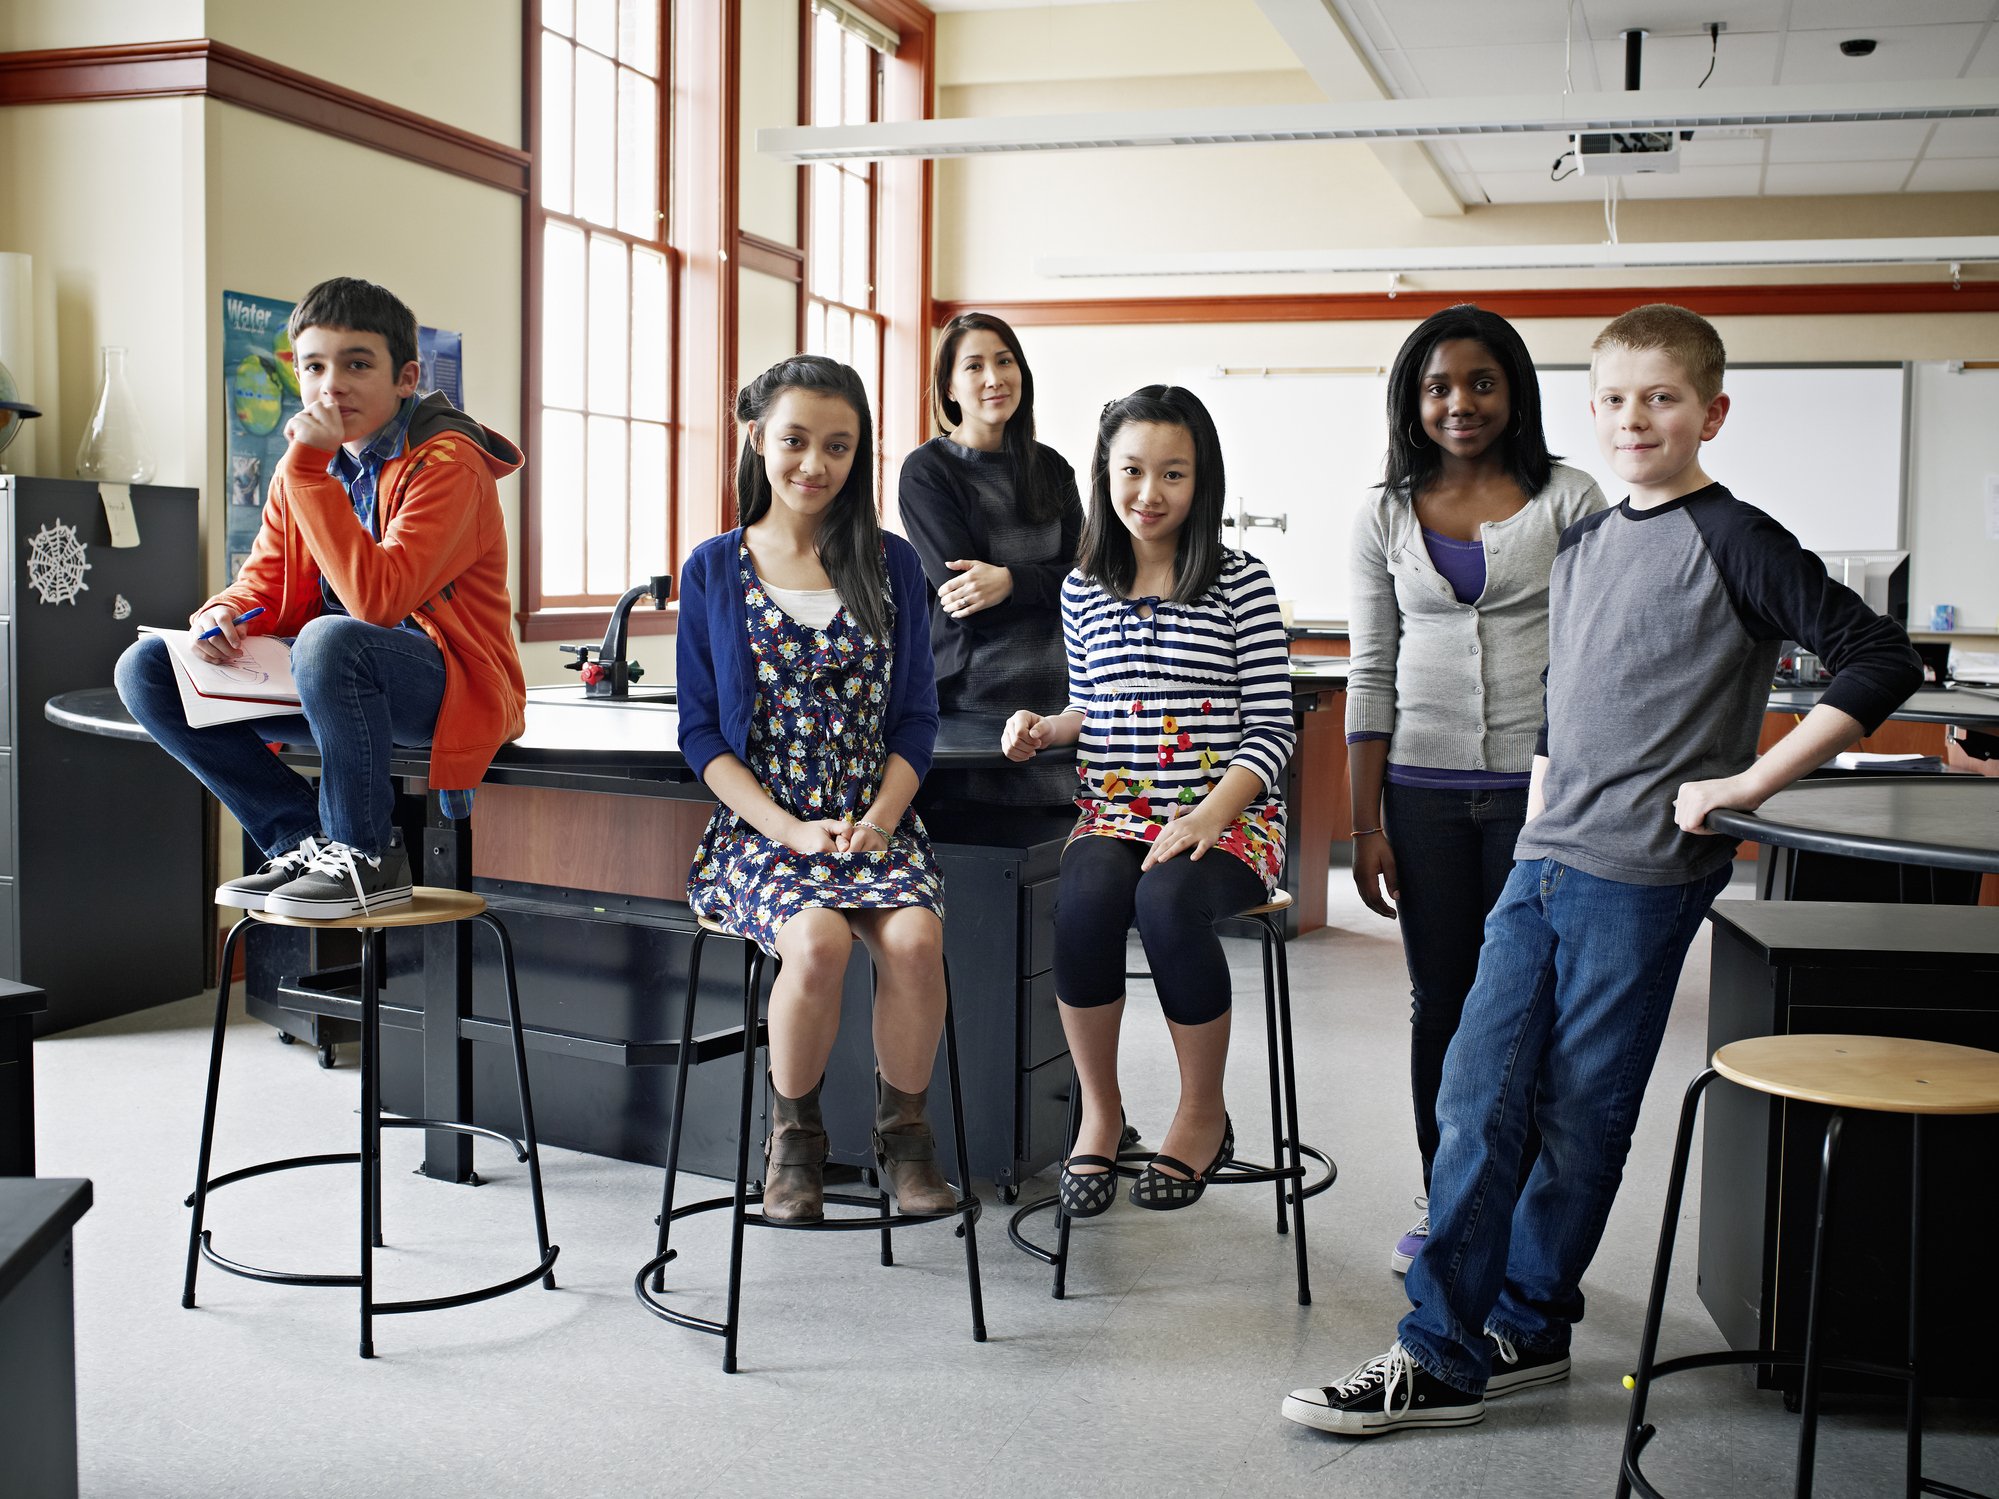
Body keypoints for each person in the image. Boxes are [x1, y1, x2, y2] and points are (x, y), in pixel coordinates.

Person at [1282, 304, 1922, 1437]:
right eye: (1618, 399)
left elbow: (1875, 655)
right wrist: (1538, 818)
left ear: (1710, 412)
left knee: (1580, 1111)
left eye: (1664, 397)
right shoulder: (1582, 542)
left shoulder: (1737, 538)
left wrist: (1748, 786)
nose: (1638, 418)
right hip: (1542, 860)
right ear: (1591, 411)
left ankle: (1511, 1326)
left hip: (1643, 876)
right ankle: (1464, 1336)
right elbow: (1565, 712)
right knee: (1476, 1090)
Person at [115, 276, 525, 920]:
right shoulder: (309, 466)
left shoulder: (448, 463)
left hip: (446, 683)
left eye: (358, 364)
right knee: (146, 671)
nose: (331, 385)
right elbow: (268, 581)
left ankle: (366, 857)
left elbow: (378, 602)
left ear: (406, 377)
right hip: (327, 676)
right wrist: (224, 612)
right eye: (314, 366)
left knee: (332, 638)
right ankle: (299, 839)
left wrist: (307, 469)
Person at [1346, 304, 1607, 1276]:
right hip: (1420, 795)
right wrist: (1361, 823)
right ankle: (1445, 1191)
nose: (1460, 402)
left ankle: (1522, 1215)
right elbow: (1370, 671)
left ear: (1514, 393)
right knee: (1442, 1004)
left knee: (1528, 1005)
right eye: (1438, 386)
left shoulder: (1571, 500)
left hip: (1535, 799)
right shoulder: (1382, 512)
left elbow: (1592, 660)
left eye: (1480, 382)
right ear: (1413, 401)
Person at [676, 354, 957, 1223]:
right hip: (760, 833)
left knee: (913, 941)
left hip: (876, 828)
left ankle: (904, 1139)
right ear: (756, 437)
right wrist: (788, 830)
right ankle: (793, 1143)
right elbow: (701, 737)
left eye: (838, 446)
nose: (814, 464)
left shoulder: (892, 564)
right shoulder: (714, 568)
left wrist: (878, 819)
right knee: (821, 941)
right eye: (794, 441)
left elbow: (915, 719)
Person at [1003, 386, 1294, 1214]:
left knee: (1167, 903)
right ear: (1106, 473)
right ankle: (1101, 1111)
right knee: (1087, 899)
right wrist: (1044, 728)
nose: (1149, 492)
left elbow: (1273, 730)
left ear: (1201, 482)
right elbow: (1092, 705)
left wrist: (1207, 815)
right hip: (1116, 813)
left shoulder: (1241, 583)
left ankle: (1202, 1114)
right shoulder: (1083, 586)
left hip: (1227, 821)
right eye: (1132, 470)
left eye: (1173, 473)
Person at [899, 312, 1084, 810]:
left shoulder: (1052, 468)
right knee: (980, 848)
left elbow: (1090, 581)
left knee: (1057, 850)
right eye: (974, 366)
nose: (994, 378)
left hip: (1061, 692)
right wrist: (1039, 587)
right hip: (971, 697)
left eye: (1005, 362)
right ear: (950, 387)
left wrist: (1010, 581)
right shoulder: (927, 472)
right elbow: (963, 596)